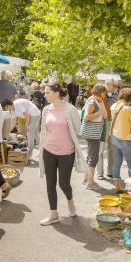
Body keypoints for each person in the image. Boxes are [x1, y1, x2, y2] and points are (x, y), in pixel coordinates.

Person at [38, 82, 87, 225]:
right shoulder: (46, 109)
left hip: (66, 153)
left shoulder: (70, 110)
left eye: (47, 92)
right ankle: (53, 214)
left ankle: (70, 201)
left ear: (57, 93)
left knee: (64, 184)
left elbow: (78, 129)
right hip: (48, 150)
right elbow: (44, 130)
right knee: (50, 184)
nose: (44, 95)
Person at [110, 88, 131, 192]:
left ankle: (117, 187)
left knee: (117, 161)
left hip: (114, 137)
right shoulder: (128, 109)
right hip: (125, 139)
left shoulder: (113, 106)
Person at [82, 84, 108, 189]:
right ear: (100, 92)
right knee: (94, 157)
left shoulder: (98, 101)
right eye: (104, 92)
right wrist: (98, 112)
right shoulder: (92, 101)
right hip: (92, 134)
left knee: (90, 156)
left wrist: (102, 107)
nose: (105, 95)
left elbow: (105, 115)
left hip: (94, 133)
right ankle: (90, 183)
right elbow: (87, 117)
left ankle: (85, 179)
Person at [105, 80, 119, 178]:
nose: (112, 87)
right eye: (110, 85)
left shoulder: (116, 95)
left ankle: (110, 171)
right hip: (101, 122)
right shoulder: (101, 94)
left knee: (111, 148)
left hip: (112, 122)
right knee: (100, 149)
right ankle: (99, 172)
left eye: (113, 86)